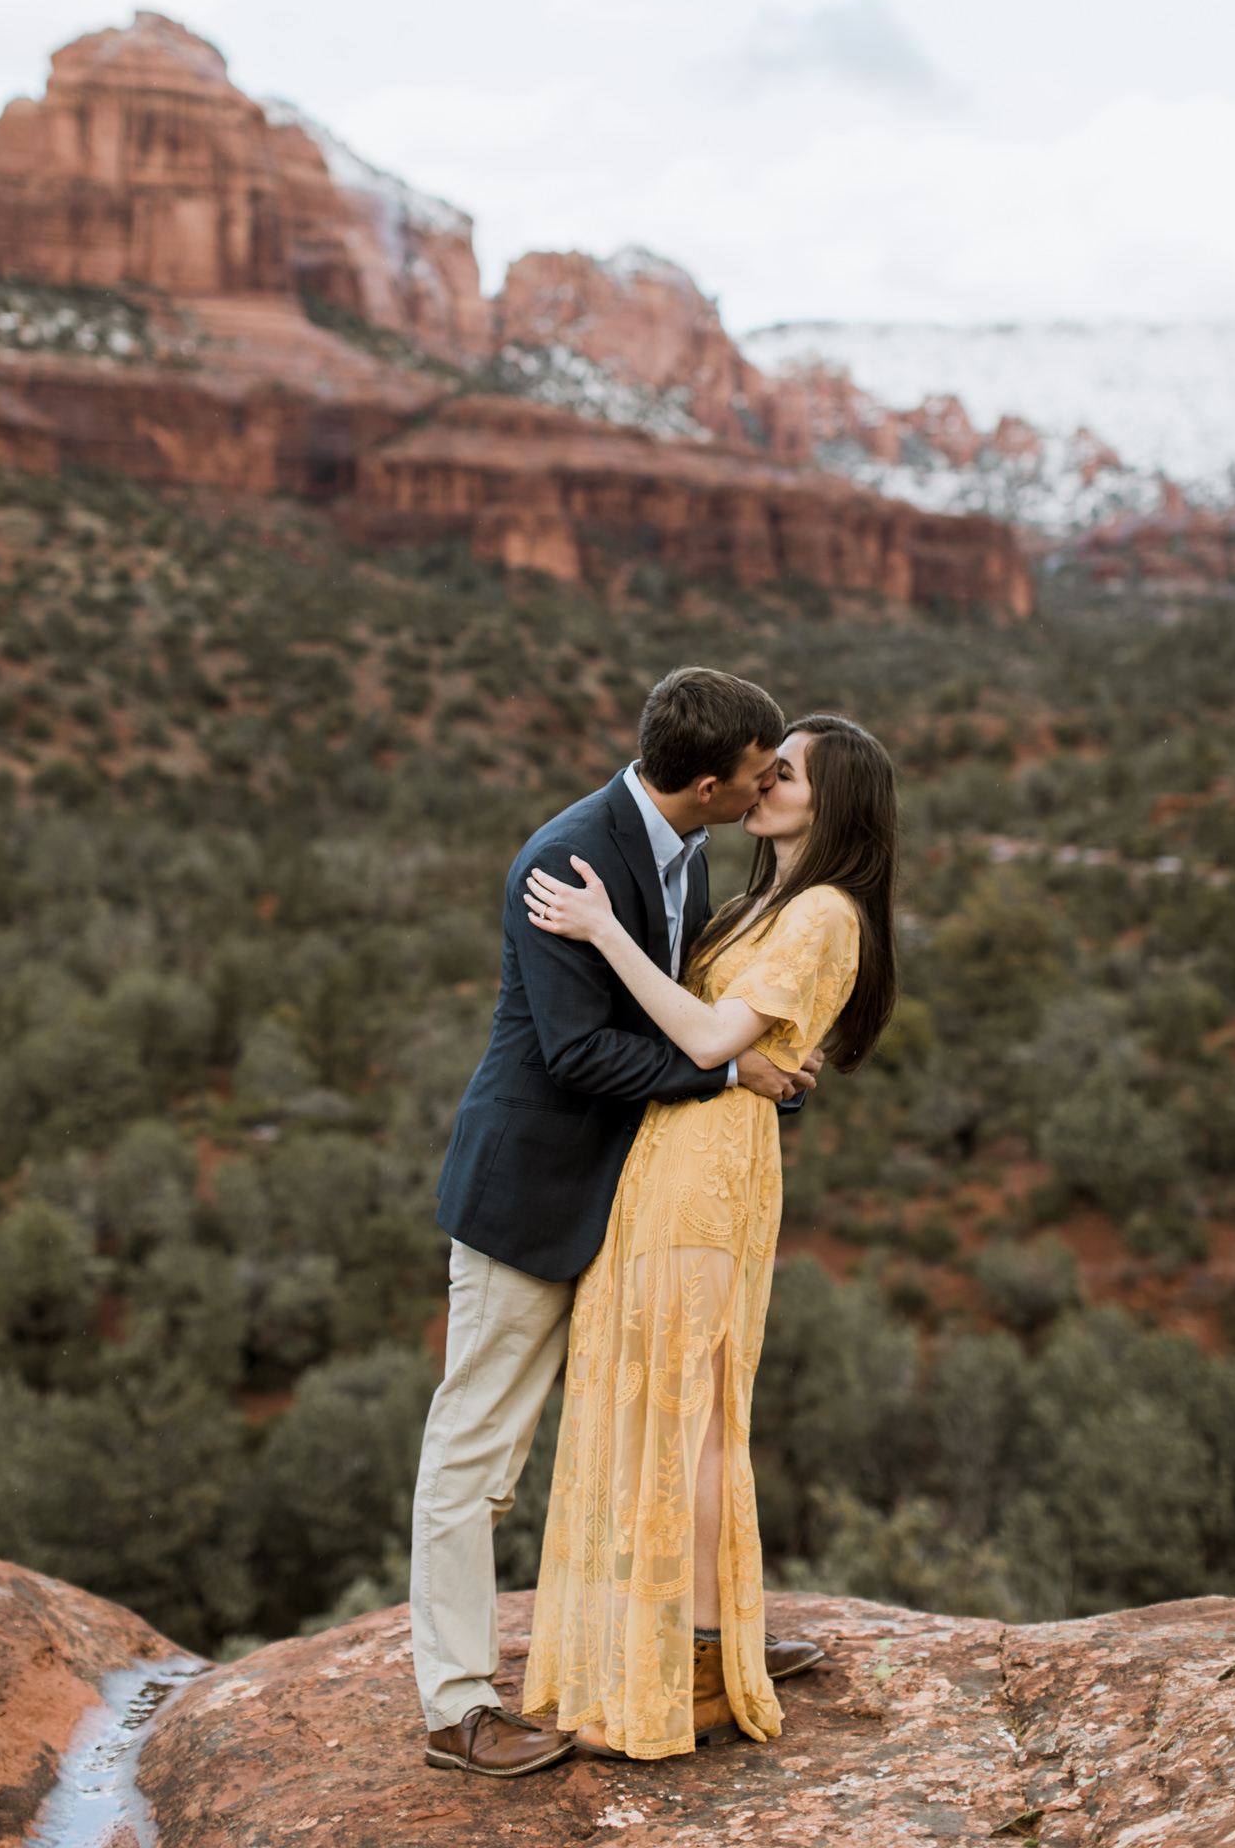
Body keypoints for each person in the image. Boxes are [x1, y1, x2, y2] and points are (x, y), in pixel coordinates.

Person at [413, 669, 826, 1780]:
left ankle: (696, 1645)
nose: (762, 789)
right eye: (755, 773)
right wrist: (733, 1067)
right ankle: (454, 1707)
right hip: (531, 1194)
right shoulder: (568, 856)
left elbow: (677, 996)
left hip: (631, 1206)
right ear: (704, 780)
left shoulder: (691, 851)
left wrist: (765, 1049)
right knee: (476, 1456)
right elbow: (577, 1052)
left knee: (646, 1435)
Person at [519, 715, 898, 1760]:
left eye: (787, 774)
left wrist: (603, 929)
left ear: (837, 802)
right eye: (764, 767)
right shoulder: (754, 901)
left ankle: (689, 1668)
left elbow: (701, 1036)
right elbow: (696, 1039)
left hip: (710, 1170)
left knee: (688, 1408)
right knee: (657, 1393)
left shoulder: (824, 913)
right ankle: (691, 1648)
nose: (762, 783)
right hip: (666, 1153)